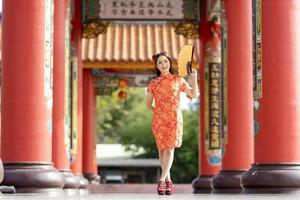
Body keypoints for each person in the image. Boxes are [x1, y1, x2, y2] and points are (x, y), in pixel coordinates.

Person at [146, 51, 199, 195]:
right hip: (159, 120)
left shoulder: (178, 80)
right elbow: (148, 105)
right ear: (157, 66)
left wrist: (194, 79)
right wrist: (159, 113)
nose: (163, 64)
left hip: (174, 119)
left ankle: (162, 180)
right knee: (162, 151)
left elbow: (193, 95)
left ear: (170, 63)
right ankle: (169, 182)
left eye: (165, 61)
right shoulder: (153, 83)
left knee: (169, 149)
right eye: (160, 62)